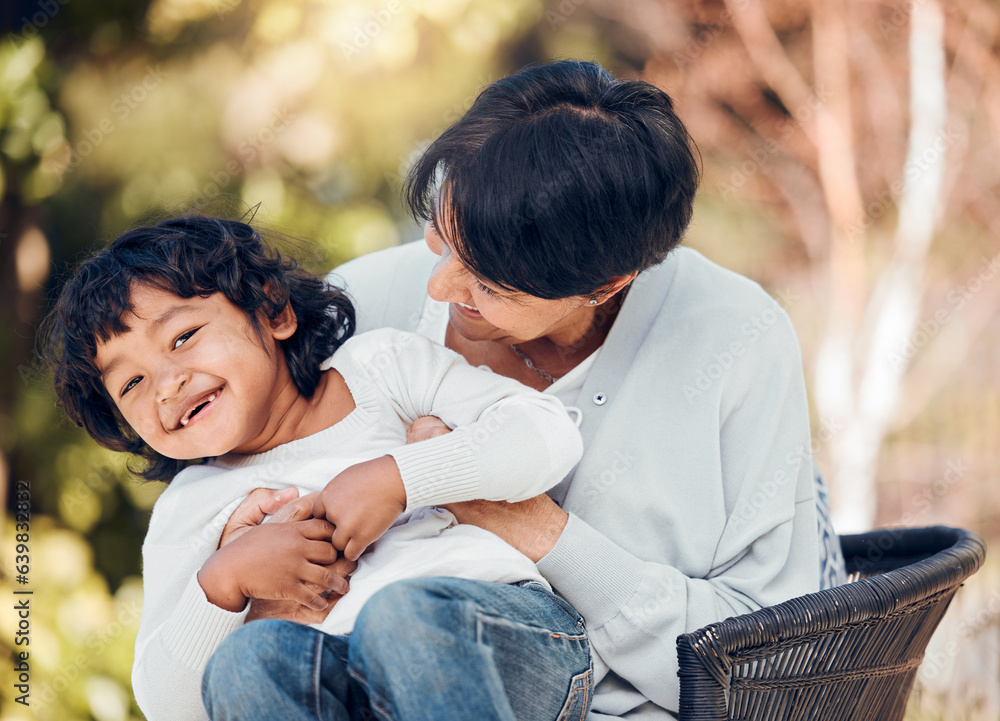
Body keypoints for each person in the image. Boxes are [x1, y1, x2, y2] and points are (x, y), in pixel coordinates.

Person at [204, 59, 831, 720]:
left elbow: (771, 673)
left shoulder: (735, 339)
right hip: (351, 687)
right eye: (439, 240)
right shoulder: (364, 304)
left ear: (607, 284)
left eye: (489, 286)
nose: (439, 288)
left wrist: (530, 524)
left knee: (411, 621)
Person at [43, 215, 592, 721]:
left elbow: (546, 436)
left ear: (273, 311)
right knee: (247, 661)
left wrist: (401, 478)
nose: (166, 385)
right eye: (131, 383)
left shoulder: (381, 370)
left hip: (505, 642)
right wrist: (224, 582)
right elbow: (169, 705)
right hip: (343, 693)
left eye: (183, 337)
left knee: (399, 619)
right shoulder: (191, 507)